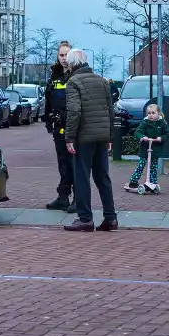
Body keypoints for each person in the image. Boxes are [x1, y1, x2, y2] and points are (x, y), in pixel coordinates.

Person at [62, 49, 118, 232]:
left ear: (71, 64)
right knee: (103, 177)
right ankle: (110, 217)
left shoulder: (73, 82)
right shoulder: (102, 81)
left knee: (82, 177)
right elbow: (110, 110)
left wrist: (69, 137)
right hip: (101, 137)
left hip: (84, 138)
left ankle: (85, 218)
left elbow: (74, 111)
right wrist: (109, 136)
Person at [42, 41, 75, 212]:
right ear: (57, 56)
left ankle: (78, 199)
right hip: (58, 128)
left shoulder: (75, 74)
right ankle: (63, 197)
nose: (64, 58)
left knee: (74, 165)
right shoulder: (54, 75)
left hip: (73, 128)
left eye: (66, 55)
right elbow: (48, 99)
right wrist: (48, 120)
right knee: (63, 164)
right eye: (61, 55)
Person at [125, 103, 169, 194]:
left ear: (158, 113)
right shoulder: (145, 123)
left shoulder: (162, 123)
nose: (151, 115)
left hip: (155, 149)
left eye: (153, 113)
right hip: (145, 149)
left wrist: (161, 138)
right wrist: (142, 136)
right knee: (141, 165)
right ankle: (133, 182)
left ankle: (153, 182)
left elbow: (167, 134)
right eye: (149, 113)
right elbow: (138, 132)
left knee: (154, 167)